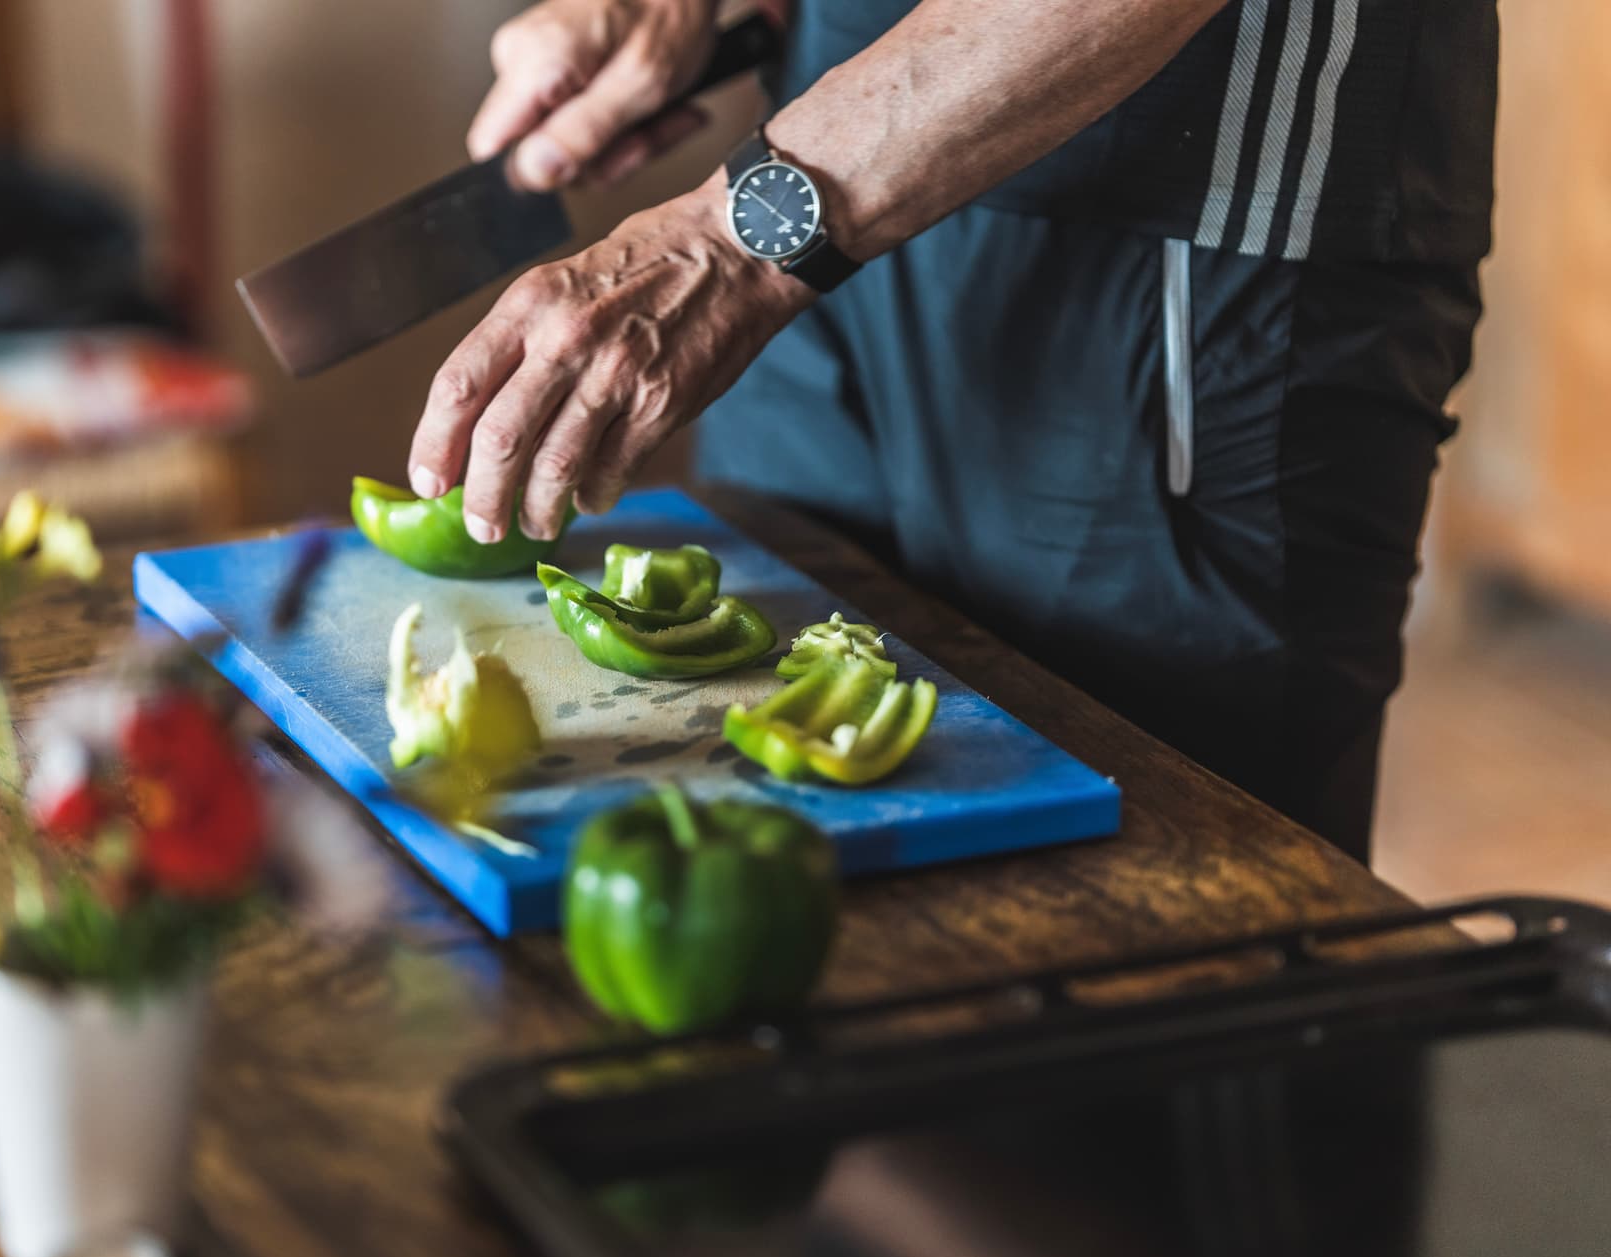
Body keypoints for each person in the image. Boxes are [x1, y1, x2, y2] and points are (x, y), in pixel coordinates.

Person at [402, 0, 1497, 861]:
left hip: (1185, 234)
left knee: (1161, 920)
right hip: (822, 187)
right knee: (785, 845)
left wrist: (740, 240)